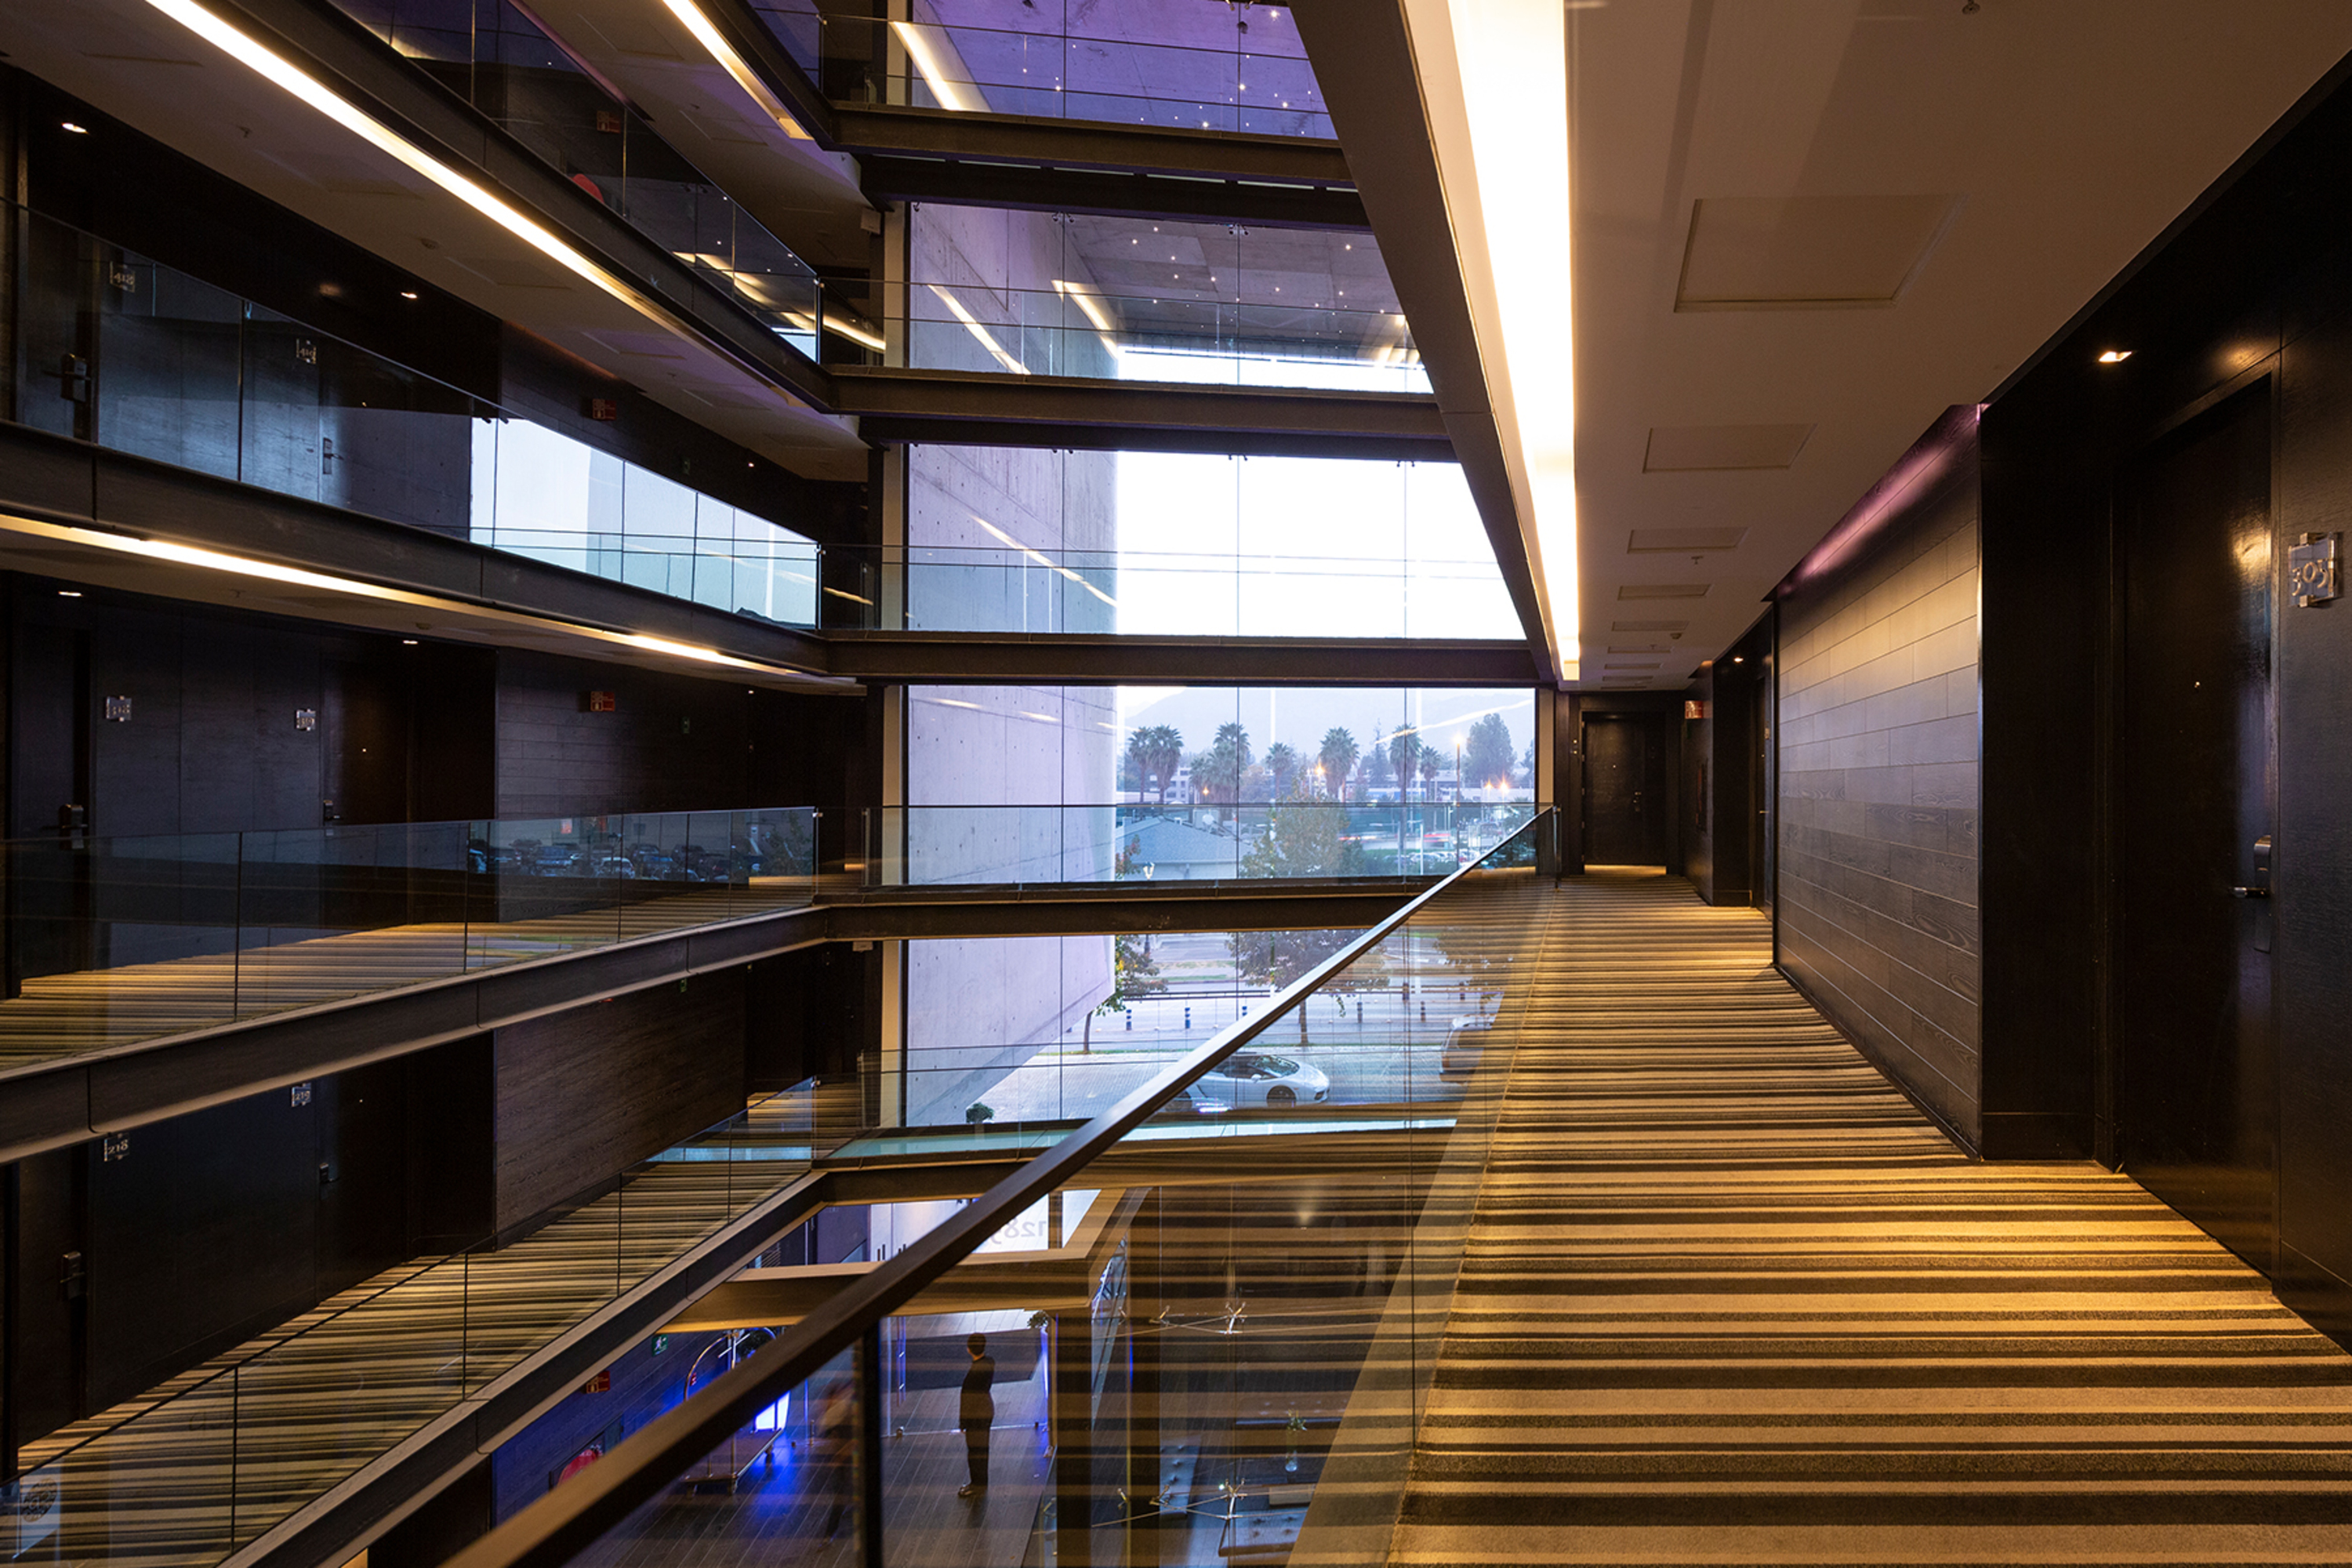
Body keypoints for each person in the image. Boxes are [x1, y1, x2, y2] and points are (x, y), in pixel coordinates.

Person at [956, 1331, 996, 1498]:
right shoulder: (990, 1362)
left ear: (969, 1349)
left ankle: (977, 1485)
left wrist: (963, 1423)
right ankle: (982, 1482)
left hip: (975, 1417)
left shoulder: (973, 1375)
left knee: (974, 1451)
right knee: (983, 1449)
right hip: (987, 1409)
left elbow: (967, 1400)